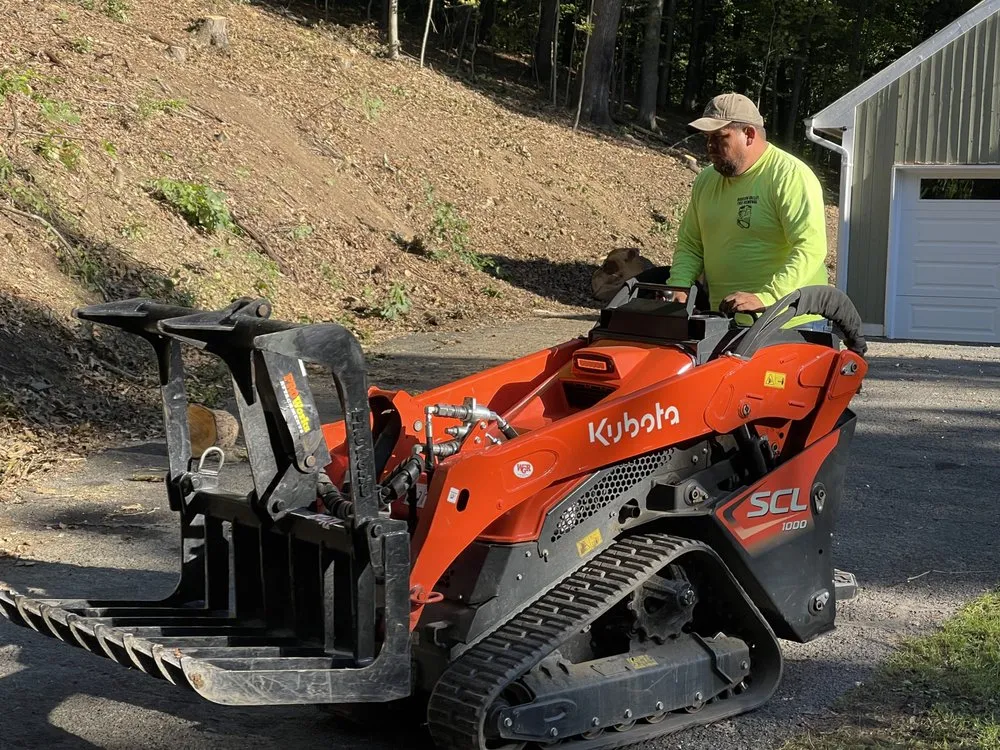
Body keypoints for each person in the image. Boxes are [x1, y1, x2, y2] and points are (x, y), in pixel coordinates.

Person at [665, 93, 829, 328]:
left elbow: (810, 247)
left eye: (719, 137)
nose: (710, 146)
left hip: (791, 324)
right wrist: (679, 286)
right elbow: (691, 244)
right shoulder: (706, 180)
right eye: (707, 138)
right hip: (724, 323)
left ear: (749, 135)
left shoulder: (789, 175)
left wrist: (768, 297)